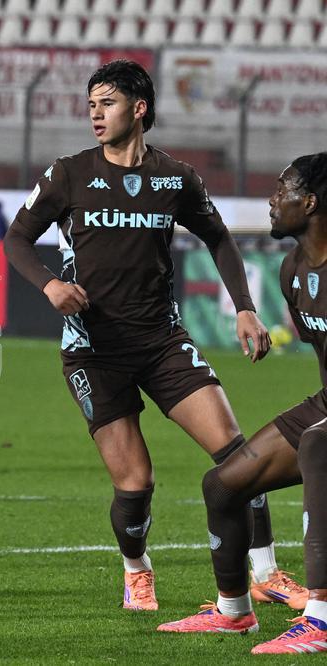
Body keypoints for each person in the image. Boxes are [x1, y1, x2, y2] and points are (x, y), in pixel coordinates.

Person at [4, 59, 301, 613]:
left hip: (163, 340)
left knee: (241, 458)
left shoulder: (176, 178)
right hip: (93, 350)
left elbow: (218, 238)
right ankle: (136, 568)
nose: (95, 113)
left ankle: (267, 573)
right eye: (91, 103)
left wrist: (244, 309)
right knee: (136, 483)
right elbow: (16, 240)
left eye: (107, 102)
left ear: (139, 109)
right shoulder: (68, 174)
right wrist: (48, 285)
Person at [158, 153, 327, 654]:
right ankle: (233, 612)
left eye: (283, 190)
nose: (271, 201)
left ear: (311, 201)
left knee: (318, 445)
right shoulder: (293, 270)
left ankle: (320, 618)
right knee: (223, 484)